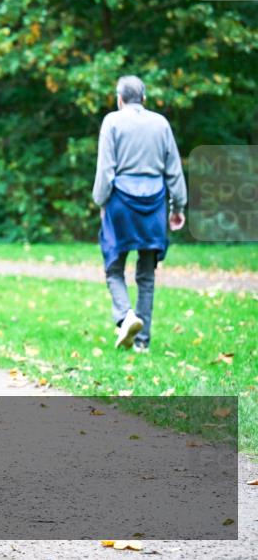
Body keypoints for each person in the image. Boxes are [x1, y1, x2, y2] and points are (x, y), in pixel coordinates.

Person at [93, 76, 187, 354]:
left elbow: (106, 168)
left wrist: (101, 201)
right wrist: (178, 206)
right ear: (144, 98)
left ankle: (125, 316)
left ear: (119, 99)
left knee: (114, 266)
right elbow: (174, 169)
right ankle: (142, 341)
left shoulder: (112, 121)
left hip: (121, 202)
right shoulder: (161, 124)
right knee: (146, 274)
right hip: (154, 203)